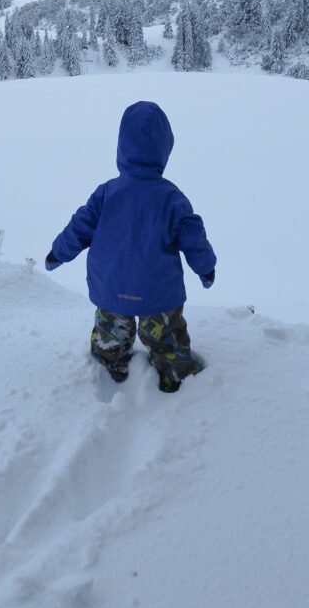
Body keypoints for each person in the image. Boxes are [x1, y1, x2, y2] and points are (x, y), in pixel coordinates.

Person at [45, 101, 216, 393]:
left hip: (110, 288)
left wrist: (58, 252)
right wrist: (206, 267)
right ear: (165, 150)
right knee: (167, 340)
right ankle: (173, 373)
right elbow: (193, 237)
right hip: (158, 293)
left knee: (110, 336)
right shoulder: (172, 198)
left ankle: (109, 368)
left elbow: (80, 226)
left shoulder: (106, 193)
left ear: (122, 147)